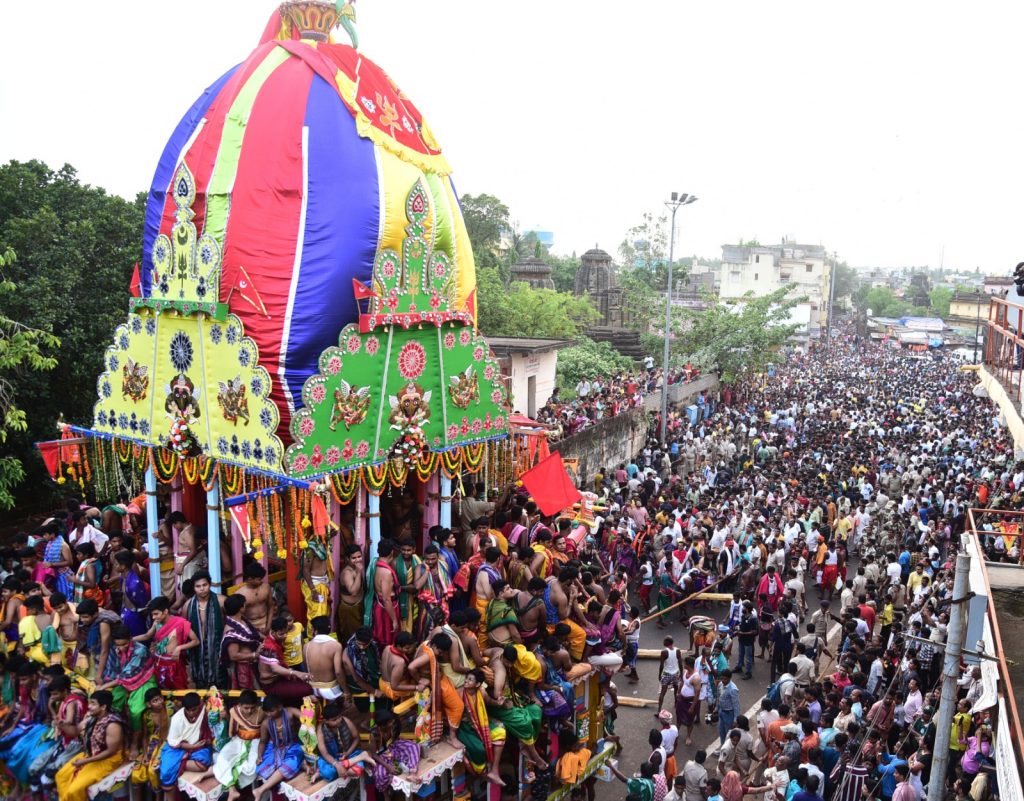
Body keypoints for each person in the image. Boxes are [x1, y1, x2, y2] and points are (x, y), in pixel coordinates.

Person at [54, 690, 126, 801]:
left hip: (108, 760)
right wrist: (62, 725)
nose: (89, 706)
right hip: (90, 756)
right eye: (89, 703)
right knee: (61, 776)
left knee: (75, 789)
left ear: (103, 707)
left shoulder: (113, 725)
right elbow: (75, 731)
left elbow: (110, 752)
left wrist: (85, 761)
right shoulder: (91, 718)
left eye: (93, 703)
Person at [95, 623, 156, 732]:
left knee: (135, 711)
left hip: (144, 680)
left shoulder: (140, 651)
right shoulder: (117, 649)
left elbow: (125, 676)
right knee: (111, 703)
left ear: (131, 639)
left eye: (124, 644)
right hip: (124, 681)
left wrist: (104, 686)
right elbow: (118, 671)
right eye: (118, 645)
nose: (121, 648)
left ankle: (134, 741)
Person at [137, 596, 197, 690]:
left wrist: (179, 648)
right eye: (152, 615)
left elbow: (195, 641)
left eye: (156, 614)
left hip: (174, 665)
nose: (153, 617)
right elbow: (147, 636)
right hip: (158, 663)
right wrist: (130, 639)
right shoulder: (157, 622)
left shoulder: (181, 622)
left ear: (165, 611)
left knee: (179, 692)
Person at [252, 695, 306, 800]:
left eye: (271, 711)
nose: (268, 714)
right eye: (266, 712)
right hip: (274, 747)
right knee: (261, 768)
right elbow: (263, 741)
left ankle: (260, 790)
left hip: (293, 745)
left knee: (290, 764)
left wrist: (310, 707)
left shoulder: (291, 712)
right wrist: (259, 756)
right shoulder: (266, 723)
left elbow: (307, 718)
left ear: (280, 707)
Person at [159, 692, 214, 792]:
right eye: (189, 710)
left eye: (194, 710)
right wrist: (192, 746)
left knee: (204, 763)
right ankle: (177, 763)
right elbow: (174, 743)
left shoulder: (204, 709)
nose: (191, 713)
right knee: (166, 773)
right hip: (179, 748)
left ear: (199, 705)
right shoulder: (177, 719)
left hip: (199, 745)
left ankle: (178, 763)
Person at [185, 570, 226, 689]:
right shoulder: (188, 605)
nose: (202, 589)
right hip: (197, 649)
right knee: (200, 683)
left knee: (220, 682)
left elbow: (232, 623)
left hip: (217, 649)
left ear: (210, 584)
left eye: (204, 585)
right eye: (198, 586)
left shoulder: (221, 601)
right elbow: (184, 628)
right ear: (194, 588)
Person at [315, 701, 375, 782]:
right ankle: (360, 757)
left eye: (339, 717)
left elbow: (356, 738)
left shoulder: (345, 721)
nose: (339, 720)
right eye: (334, 720)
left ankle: (349, 762)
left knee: (356, 770)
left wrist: (347, 753)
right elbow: (324, 753)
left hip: (348, 754)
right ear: (326, 721)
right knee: (329, 773)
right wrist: (336, 765)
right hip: (331, 758)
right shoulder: (321, 729)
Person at [337, 545, 366, 641]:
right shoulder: (347, 572)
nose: (357, 560)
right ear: (347, 559)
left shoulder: (357, 567)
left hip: (359, 607)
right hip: (349, 610)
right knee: (352, 639)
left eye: (359, 557)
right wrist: (358, 573)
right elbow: (353, 592)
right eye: (354, 558)